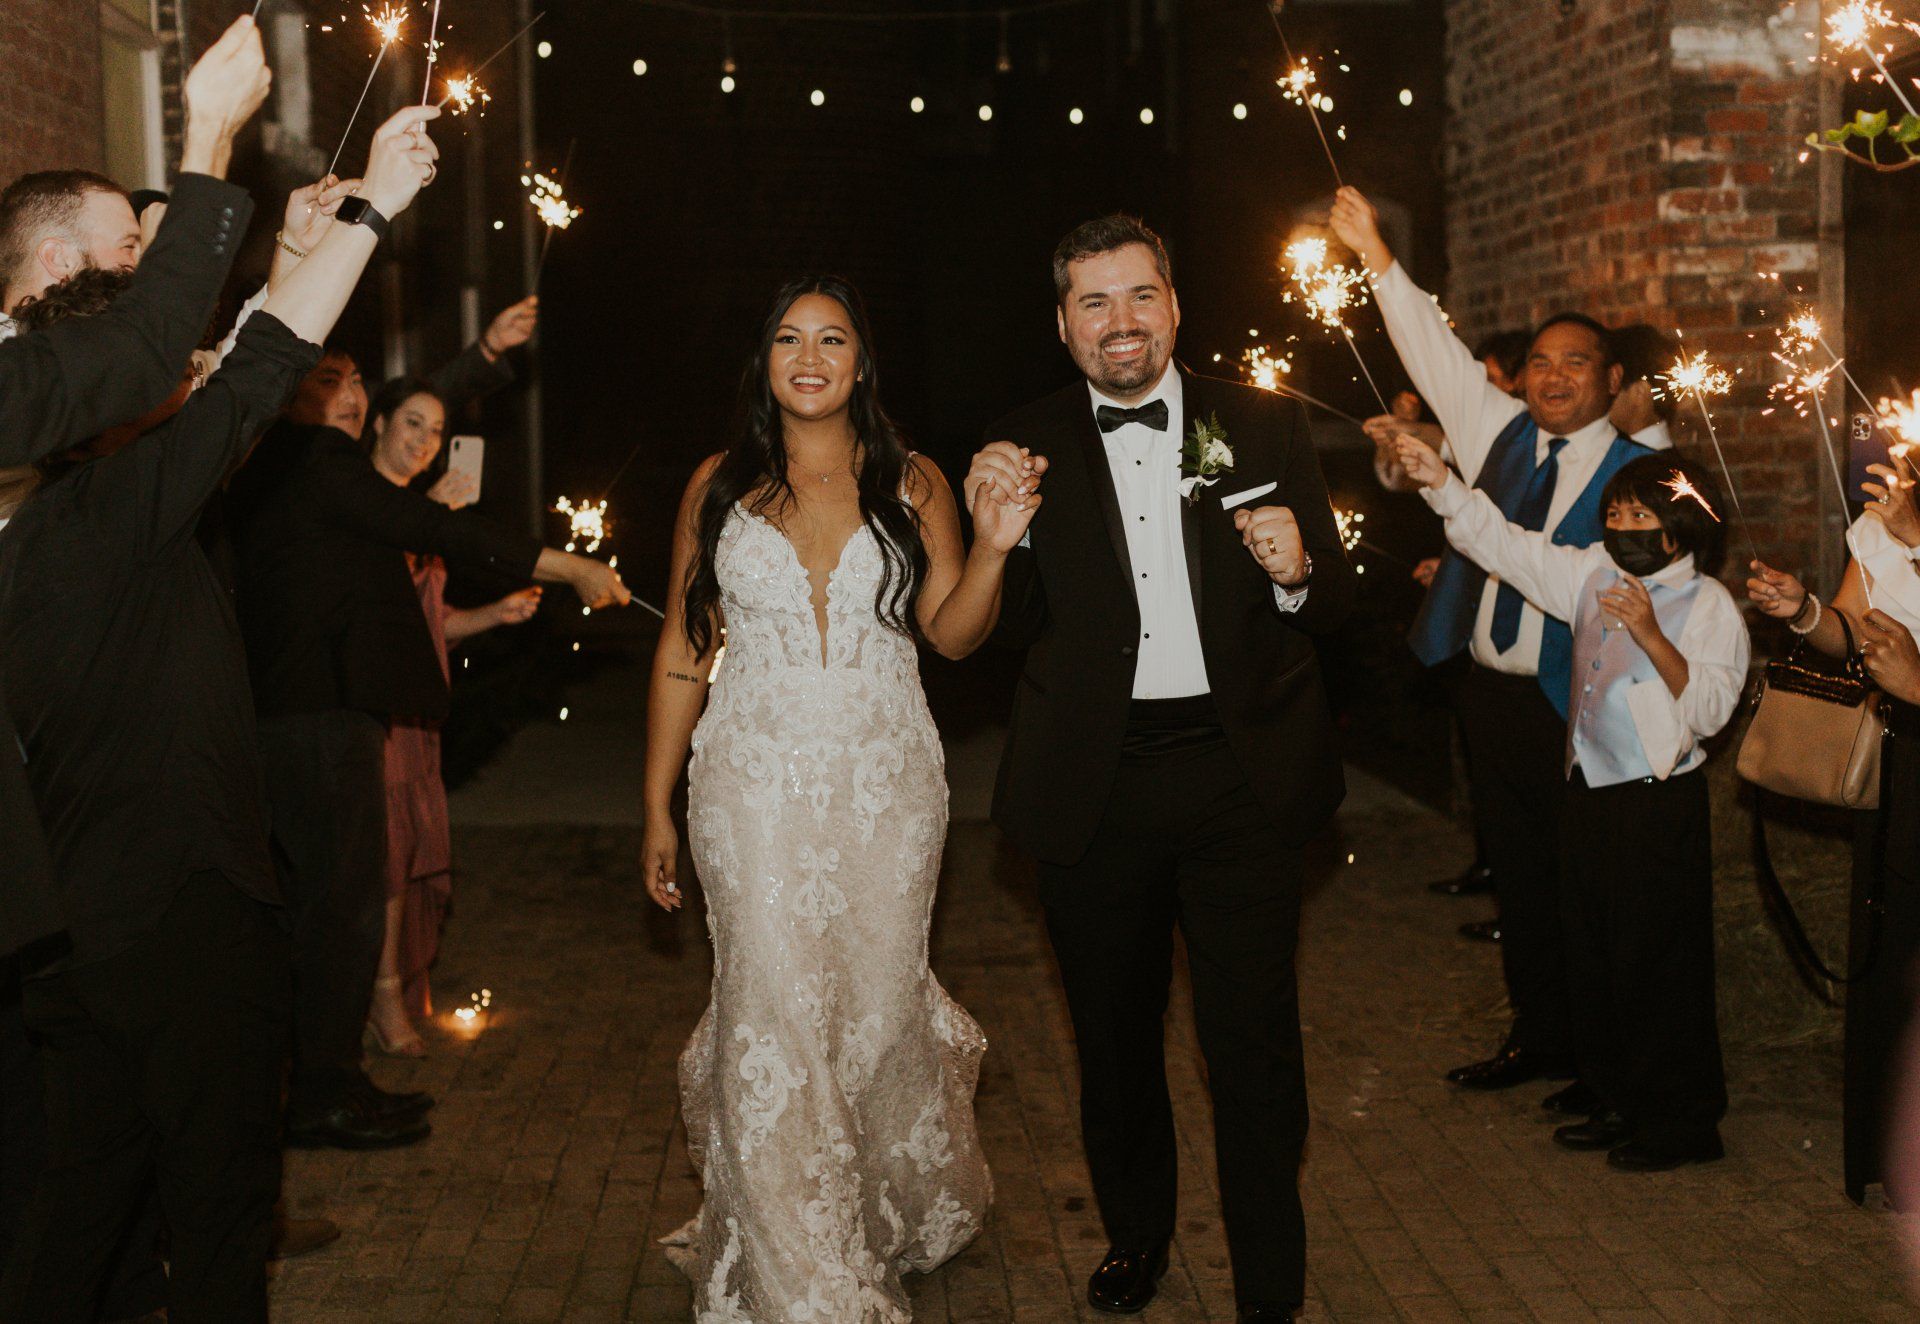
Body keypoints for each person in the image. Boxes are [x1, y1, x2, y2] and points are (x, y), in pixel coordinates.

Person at [0, 97, 443, 1323]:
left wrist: (302, 256)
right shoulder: (115, 510)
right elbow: (253, 377)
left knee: (85, 1200)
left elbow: (234, 375)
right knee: (218, 1212)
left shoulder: (50, 516)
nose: (178, 373)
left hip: (78, 932)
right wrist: (373, 209)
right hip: (178, 916)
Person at [968, 216, 1354, 1322]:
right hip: (1098, 785)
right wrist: (1000, 538)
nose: (1121, 323)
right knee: (1116, 1038)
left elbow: (1334, 606)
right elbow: (1002, 636)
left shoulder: (1258, 421)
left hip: (1244, 779)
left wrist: (1294, 572)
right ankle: (1137, 1235)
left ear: (1176, 306)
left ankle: (1270, 1274)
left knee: (1255, 1048)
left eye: (1140, 297)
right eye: (1094, 302)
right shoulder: (1025, 442)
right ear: (1062, 323)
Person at [640, 275, 1010, 1320]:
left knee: (878, 1005)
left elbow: (953, 632)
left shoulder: (914, 480)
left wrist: (991, 549)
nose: (811, 356)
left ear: (861, 362)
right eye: (790, 338)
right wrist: (657, 802)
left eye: (833, 338)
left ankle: (883, 1202)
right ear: (764, 361)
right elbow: (684, 644)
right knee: (774, 1006)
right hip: (749, 783)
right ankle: (800, 1272)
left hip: (888, 781)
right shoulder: (719, 484)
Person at [226, 334, 625, 1153]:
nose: (349, 394)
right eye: (328, 380)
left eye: (356, 378)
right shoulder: (311, 463)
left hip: (330, 713)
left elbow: (417, 453)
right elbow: (432, 525)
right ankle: (317, 1097)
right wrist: (566, 567)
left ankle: (331, 1081)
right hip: (312, 716)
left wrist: (481, 359)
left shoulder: (315, 467)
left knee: (340, 904)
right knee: (338, 907)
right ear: (292, 391)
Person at [1332, 185, 1664, 1105]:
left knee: (1580, 884)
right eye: (1541, 362)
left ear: (1608, 381)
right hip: (1491, 694)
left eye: (1577, 363)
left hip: (1576, 699)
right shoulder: (1498, 430)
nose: (1554, 376)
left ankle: (1602, 1061)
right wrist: (1374, 258)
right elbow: (1430, 349)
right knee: (1517, 879)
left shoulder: (1637, 472)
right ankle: (1539, 1036)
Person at [1399, 437, 1748, 1169]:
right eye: (1615, 511)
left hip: (1657, 804)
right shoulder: (1590, 571)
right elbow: (1506, 544)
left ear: (1680, 526)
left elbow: (1713, 710)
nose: (1622, 525)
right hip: (1588, 792)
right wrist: (1441, 483)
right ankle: (1615, 1095)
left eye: (1639, 514)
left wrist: (1651, 634)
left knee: (1658, 963)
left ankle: (1681, 1124)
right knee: (1593, 952)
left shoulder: (1709, 603)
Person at [1748, 458, 1920, 1202]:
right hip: (1905, 760)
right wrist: (1808, 613)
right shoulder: (1888, 519)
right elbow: (1854, 632)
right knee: (1897, 946)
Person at [360, 377, 541, 1056]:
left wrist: (497, 614)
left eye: (435, 431)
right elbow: (373, 605)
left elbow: (428, 623)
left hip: (415, 716)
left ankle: (390, 988)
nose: (425, 442)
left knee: (404, 858)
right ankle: (379, 999)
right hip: (372, 714)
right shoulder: (372, 511)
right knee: (383, 857)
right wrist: (428, 516)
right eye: (412, 423)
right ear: (378, 425)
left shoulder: (415, 516)